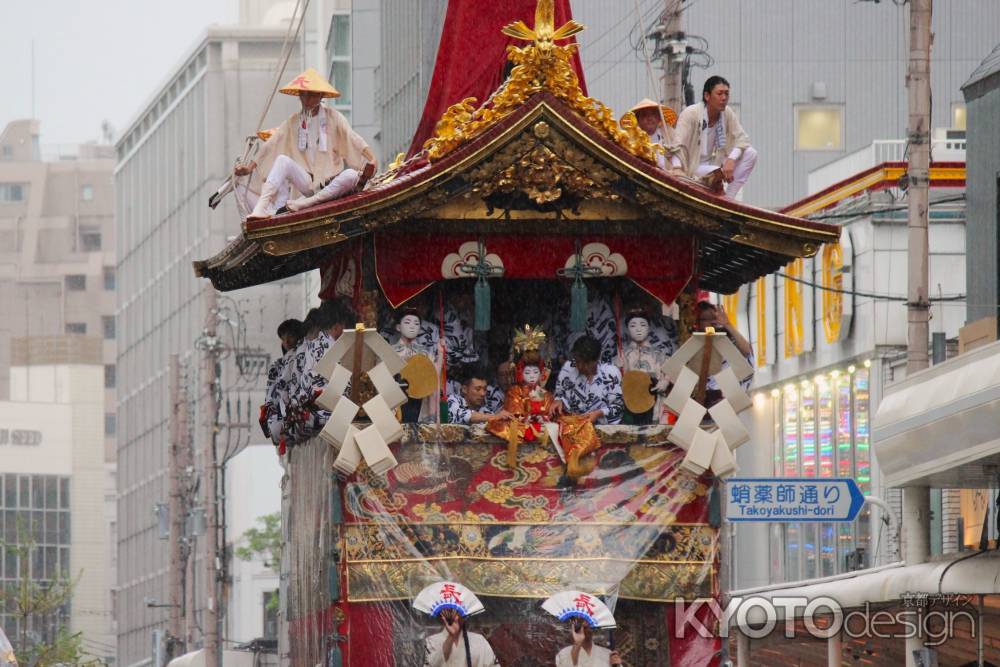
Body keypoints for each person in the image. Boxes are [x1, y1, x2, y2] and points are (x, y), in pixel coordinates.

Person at [236, 67, 377, 220]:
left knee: (350, 175)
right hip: (307, 183)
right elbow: (271, 144)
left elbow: (353, 138)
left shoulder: (334, 118)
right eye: (303, 95)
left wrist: (372, 158)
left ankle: (306, 203)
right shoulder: (293, 122)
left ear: (321, 96)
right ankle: (260, 208)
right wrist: (249, 167)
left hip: (331, 182)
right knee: (282, 160)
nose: (307, 99)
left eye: (312, 95)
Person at [668, 75, 758, 199]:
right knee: (718, 172)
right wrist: (677, 168)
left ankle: (729, 198)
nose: (724, 98)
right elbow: (677, 145)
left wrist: (731, 159)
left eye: (726, 94)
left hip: (715, 163)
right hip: (692, 167)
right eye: (720, 94)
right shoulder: (691, 113)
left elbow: (742, 139)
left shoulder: (727, 113)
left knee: (751, 153)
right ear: (707, 96)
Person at [552, 335, 624, 426]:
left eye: (586, 363)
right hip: (573, 427)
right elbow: (559, 393)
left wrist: (598, 413)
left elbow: (618, 407)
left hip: (605, 429)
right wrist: (558, 400)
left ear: (596, 359)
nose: (581, 366)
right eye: (578, 361)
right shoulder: (568, 368)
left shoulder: (610, 373)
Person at [695, 301, 754, 405]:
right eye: (706, 319)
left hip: (725, 402)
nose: (712, 321)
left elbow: (747, 352)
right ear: (697, 322)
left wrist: (727, 324)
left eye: (714, 317)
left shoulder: (726, 339)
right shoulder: (690, 344)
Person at [260, 318, 304, 440]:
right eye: (283, 338)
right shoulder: (277, 366)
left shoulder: (307, 358)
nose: (287, 341)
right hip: (287, 424)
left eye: (290, 336)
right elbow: (270, 397)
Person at [423, 608, 499, 667]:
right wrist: (451, 637)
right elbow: (431, 664)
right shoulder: (431, 641)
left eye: (459, 611)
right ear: (442, 614)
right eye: (451, 610)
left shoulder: (479, 640)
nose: (456, 615)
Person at [624, 98, 677, 171]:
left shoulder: (669, 136)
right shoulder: (631, 140)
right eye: (644, 115)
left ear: (659, 118)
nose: (649, 118)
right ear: (637, 120)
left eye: (653, 114)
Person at [554, 620, 623, 667]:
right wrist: (577, 644)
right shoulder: (564, 653)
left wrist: (617, 665)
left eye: (589, 623)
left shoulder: (608, 654)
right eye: (582, 623)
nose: (585, 624)